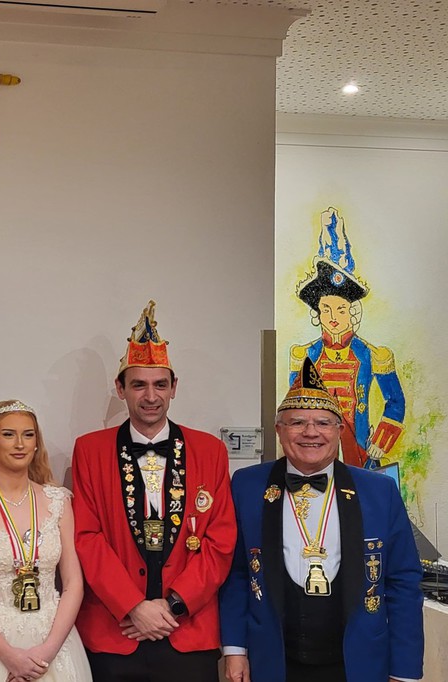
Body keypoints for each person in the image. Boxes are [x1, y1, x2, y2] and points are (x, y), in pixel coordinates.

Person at [219, 357, 424, 682]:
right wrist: (234, 650)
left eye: (323, 423)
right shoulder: (247, 485)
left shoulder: (379, 491)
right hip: (272, 659)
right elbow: (237, 574)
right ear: (279, 430)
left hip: (357, 662)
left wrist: (404, 670)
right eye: (297, 422)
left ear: (339, 430)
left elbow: (403, 583)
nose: (311, 432)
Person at [71, 300, 236, 681]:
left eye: (160, 384)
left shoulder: (210, 450)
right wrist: (133, 606)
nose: (150, 396)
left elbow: (221, 540)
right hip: (115, 631)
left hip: (187, 629)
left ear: (174, 388)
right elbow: (86, 537)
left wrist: (174, 605)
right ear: (120, 388)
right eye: (138, 385)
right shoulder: (90, 450)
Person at [0, 400, 93, 682]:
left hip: (52, 640)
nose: (20, 444)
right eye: (8, 434)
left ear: (37, 443)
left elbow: (73, 583)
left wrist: (46, 653)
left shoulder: (59, 500)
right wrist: (9, 656)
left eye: (28, 434)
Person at [290, 207, 405, 468]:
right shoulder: (306, 355)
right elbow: (295, 407)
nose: (333, 316)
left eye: (341, 309)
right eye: (326, 309)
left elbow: (395, 401)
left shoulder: (373, 355)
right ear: (318, 314)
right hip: (315, 454)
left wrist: (382, 440)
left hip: (360, 450)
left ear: (352, 312)